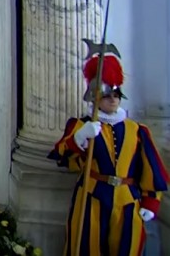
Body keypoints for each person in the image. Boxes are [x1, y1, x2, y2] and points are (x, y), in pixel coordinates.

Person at [48, 51, 169, 255]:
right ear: (95, 97)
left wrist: (151, 200)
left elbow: (151, 168)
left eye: (116, 95)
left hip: (127, 201)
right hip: (91, 197)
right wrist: (79, 138)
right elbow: (64, 157)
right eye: (107, 95)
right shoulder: (81, 125)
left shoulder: (137, 130)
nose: (113, 100)